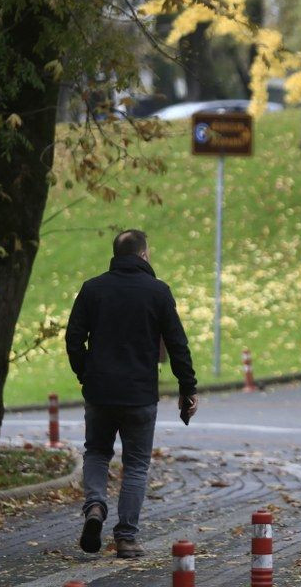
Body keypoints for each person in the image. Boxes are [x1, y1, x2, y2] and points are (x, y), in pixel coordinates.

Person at [65, 230, 198, 558]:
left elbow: (73, 338)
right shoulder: (158, 292)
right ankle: (126, 537)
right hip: (139, 395)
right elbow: (177, 344)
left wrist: (86, 373)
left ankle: (95, 505)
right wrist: (187, 388)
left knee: (96, 452)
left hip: (100, 392)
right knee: (136, 465)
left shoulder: (93, 289)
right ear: (143, 255)